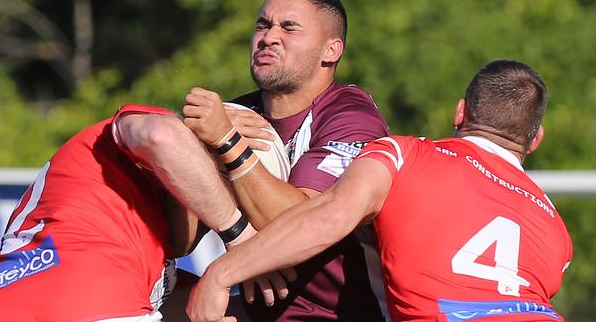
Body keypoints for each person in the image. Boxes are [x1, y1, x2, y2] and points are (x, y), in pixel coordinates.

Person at [186, 60, 574, 322]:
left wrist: (220, 274)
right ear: (535, 139)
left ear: (460, 113)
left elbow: (329, 217)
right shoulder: (556, 225)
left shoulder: (403, 154)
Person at [183, 0, 390, 321]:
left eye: (289, 27)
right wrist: (187, 138)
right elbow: (182, 240)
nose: (269, 37)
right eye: (262, 25)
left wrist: (227, 142)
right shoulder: (235, 114)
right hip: (253, 310)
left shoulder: (351, 117)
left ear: (331, 51)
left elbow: (300, 222)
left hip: (339, 314)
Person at [0, 104, 287, 321]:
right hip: (91, 298)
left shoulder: (124, 224)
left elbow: (191, 305)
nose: (210, 210)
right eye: (223, 194)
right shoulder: (140, 130)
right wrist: (239, 232)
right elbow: (161, 137)